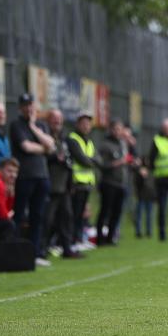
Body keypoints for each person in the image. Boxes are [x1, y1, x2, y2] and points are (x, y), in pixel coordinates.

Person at [9, 93, 56, 267]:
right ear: (21, 108)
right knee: (19, 214)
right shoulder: (16, 125)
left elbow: (51, 146)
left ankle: (35, 253)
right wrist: (43, 147)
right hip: (25, 176)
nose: (29, 108)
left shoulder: (40, 125)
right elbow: (26, 147)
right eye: (25, 105)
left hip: (42, 176)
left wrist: (33, 127)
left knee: (38, 216)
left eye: (31, 105)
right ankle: (13, 251)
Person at [44, 110, 82, 259]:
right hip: (51, 185)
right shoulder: (45, 137)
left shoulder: (64, 139)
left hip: (64, 185)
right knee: (48, 219)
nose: (57, 122)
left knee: (67, 216)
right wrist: (55, 158)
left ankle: (67, 248)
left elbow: (70, 162)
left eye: (59, 119)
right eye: (54, 119)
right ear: (48, 121)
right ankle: (42, 248)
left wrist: (71, 183)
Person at [67, 112, 99, 250]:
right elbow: (83, 159)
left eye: (88, 123)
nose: (86, 126)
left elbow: (97, 159)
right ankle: (73, 240)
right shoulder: (73, 138)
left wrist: (92, 161)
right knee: (74, 213)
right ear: (77, 124)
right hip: (76, 182)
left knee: (82, 214)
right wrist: (93, 161)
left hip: (87, 183)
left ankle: (79, 238)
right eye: (83, 123)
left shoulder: (89, 141)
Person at [97, 119, 131, 245]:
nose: (117, 132)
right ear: (111, 130)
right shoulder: (105, 145)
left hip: (121, 183)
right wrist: (117, 163)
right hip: (109, 183)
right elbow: (102, 164)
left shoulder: (123, 144)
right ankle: (100, 238)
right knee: (105, 211)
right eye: (115, 129)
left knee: (117, 212)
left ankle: (111, 237)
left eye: (119, 129)